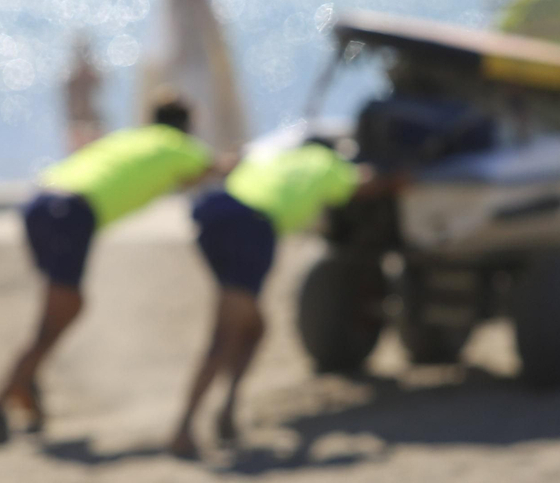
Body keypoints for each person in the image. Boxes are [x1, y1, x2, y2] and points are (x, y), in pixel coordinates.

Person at [0, 94, 214, 445]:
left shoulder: (133, 137)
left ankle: (27, 385)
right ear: (186, 124)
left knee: (58, 311)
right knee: (63, 312)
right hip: (71, 212)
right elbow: (213, 170)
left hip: (39, 201)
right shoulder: (177, 144)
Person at [169, 139, 402, 459]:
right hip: (250, 224)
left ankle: (226, 413)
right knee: (227, 334)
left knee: (253, 328)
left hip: (213, 212)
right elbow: (364, 184)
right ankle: (184, 428)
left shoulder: (275, 156)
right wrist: (398, 179)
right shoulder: (325, 162)